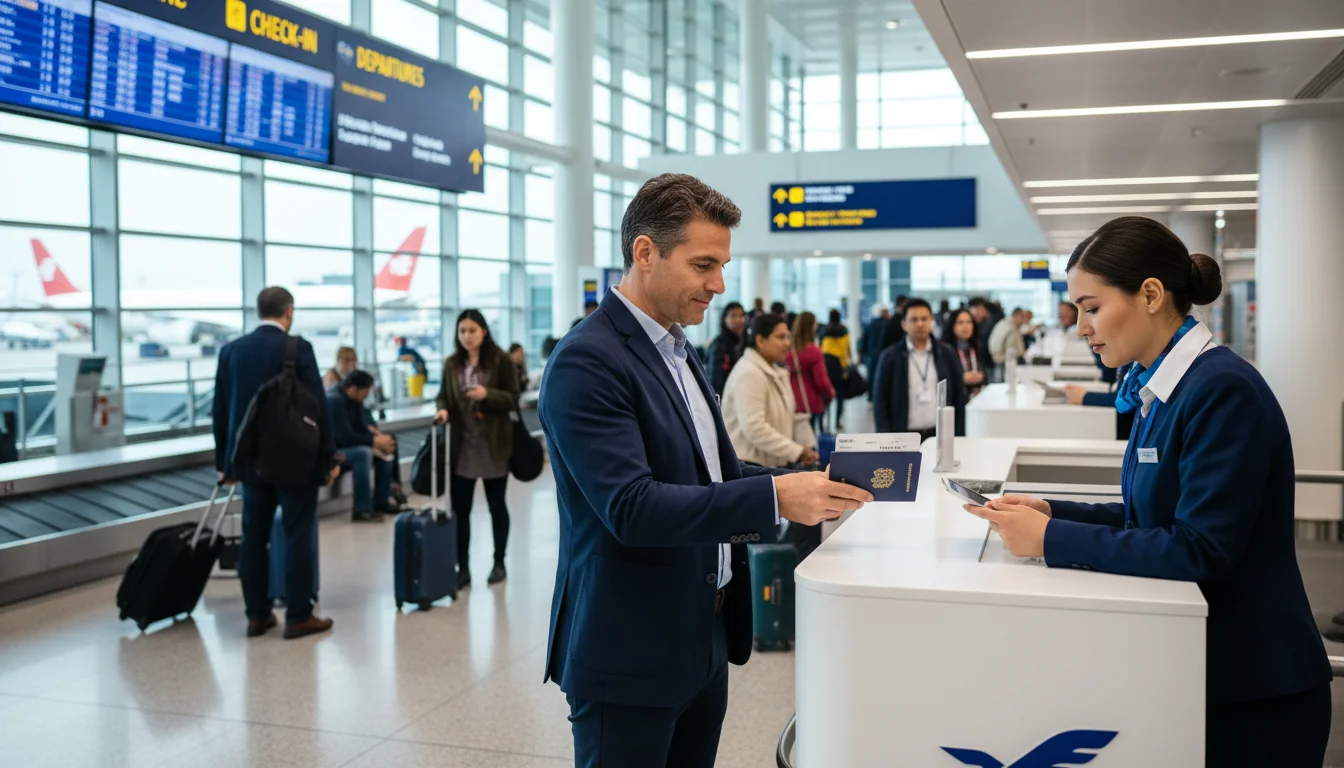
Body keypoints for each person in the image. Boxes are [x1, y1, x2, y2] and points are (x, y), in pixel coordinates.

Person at [964, 216, 1331, 768]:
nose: (1082, 326)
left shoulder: (1220, 389)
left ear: (1152, 295)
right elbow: (1147, 517)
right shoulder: (1158, 386)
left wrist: (1051, 537)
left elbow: (1199, 549)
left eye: (1092, 307)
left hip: (1255, 691)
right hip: (1201, 673)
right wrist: (1050, 511)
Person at [538, 173, 872, 768]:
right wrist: (773, 497)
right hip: (629, 651)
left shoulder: (678, 347)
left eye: (722, 266)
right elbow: (632, 508)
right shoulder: (588, 361)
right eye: (703, 265)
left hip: (702, 634)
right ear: (645, 252)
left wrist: (806, 483)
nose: (719, 285)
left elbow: (707, 472)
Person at [212, 287, 335, 640]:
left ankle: (257, 615)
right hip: (295, 459)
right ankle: (298, 616)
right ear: (289, 311)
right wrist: (329, 456)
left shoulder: (231, 352)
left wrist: (225, 463)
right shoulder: (298, 349)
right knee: (298, 535)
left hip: (250, 463)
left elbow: (220, 410)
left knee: (254, 537)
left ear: (258, 310)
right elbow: (319, 407)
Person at [434, 310, 520, 589]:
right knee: (462, 510)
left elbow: (513, 398)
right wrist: (443, 409)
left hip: (494, 445)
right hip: (463, 446)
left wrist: (487, 395)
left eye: (472, 330)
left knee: (497, 506)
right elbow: (443, 396)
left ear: (484, 331)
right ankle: (462, 567)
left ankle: (499, 561)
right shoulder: (451, 364)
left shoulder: (501, 360)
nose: (466, 336)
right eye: (462, 331)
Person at [723, 313, 819, 469]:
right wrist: (796, 451)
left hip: (772, 463)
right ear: (760, 340)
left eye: (788, 337)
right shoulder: (749, 373)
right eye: (780, 337)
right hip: (750, 468)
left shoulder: (775, 371)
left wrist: (806, 447)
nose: (788, 343)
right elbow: (755, 428)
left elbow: (791, 415)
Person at [872, 298, 967, 441]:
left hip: (940, 435)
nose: (920, 324)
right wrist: (885, 438)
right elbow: (880, 401)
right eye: (914, 320)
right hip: (903, 437)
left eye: (924, 319)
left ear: (931, 321)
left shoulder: (946, 353)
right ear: (904, 324)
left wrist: (959, 433)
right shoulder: (890, 357)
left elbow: (959, 394)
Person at [327, 370, 401, 522]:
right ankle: (361, 508)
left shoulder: (355, 400)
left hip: (349, 445)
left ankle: (382, 500)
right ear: (354, 389)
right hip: (334, 450)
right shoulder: (334, 401)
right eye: (364, 394)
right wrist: (373, 441)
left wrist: (379, 439)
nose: (365, 398)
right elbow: (343, 437)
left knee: (385, 446)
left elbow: (361, 427)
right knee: (363, 453)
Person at [787, 311, 835, 436]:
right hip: (809, 401)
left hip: (789, 399)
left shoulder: (787, 350)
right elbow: (821, 380)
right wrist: (830, 392)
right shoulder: (813, 352)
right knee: (809, 435)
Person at [819, 309, 853, 432]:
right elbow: (848, 348)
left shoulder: (824, 331)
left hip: (826, 366)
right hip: (840, 366)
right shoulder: (844, 330)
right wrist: (850, 364)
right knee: (840, 396)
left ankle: (823, 421)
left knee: (826, 396)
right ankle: (838, 421)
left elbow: (820, 349)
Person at [941, 307, 986, 398]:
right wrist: (961, 378)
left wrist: (982, 376)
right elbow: (941, 378)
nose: (965, 326)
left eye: (969, 322)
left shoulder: (977, 347)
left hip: (977, 397)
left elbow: (984, 371)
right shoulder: (944, 350)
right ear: (952, 325)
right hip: (955, 399)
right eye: (960, 322)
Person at [706, 301, 746, 395]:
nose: (739, 320)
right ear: (724, 319)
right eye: (733, 316)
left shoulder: (745, 342)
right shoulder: (719, 344)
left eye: (741, 316)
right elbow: (715, 378)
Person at [987, 306, 1032, 379]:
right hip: (1002, 362)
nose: (1025, 320)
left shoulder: (1006, 323)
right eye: (1023, 317)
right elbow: (1012, 351)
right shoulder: (1010, 330)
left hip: (1000, 359)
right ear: (1017, 316)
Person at [860, 305, 890, 378]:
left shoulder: (871, 324)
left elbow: (864, 339)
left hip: (871, 355)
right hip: (883, 354)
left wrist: (862, 353)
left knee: (872, 376)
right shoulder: (888, 325)